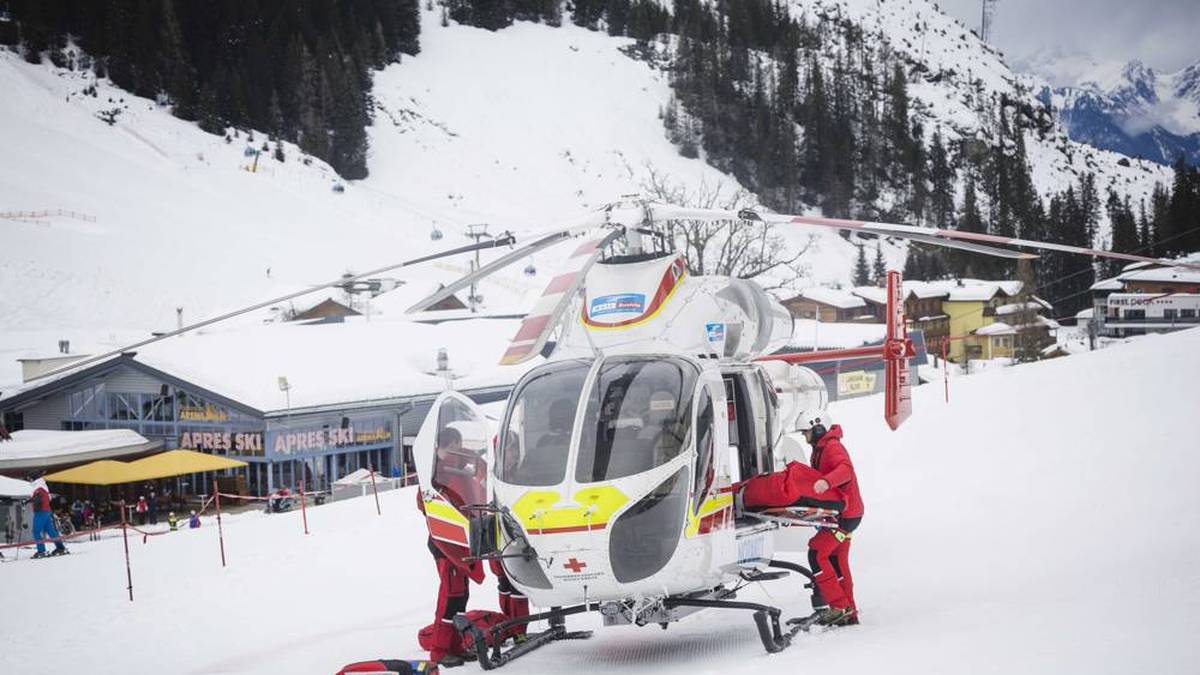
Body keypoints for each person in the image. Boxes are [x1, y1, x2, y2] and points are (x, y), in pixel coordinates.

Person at [801, 412, 863, 626]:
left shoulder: (832, 447)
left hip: (844, 517)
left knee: (817, 553)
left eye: (806, 432)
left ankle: (838, 607)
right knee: (837, 561)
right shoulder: (821, 449)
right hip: (844, 514)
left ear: (817, 429)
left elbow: (845, 470)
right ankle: (849, 611)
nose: (804, 436)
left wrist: (827, 482)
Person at [30, 478, 68, 558]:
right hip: (47, 511)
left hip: (40, 512)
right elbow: (48, 498)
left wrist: (30, 501)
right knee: (51, 531)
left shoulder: (38, 488)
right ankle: (60, 547)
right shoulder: (44, 487)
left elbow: (37, 499)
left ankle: (42, 551)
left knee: (36, 531)